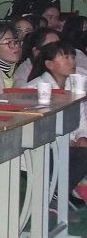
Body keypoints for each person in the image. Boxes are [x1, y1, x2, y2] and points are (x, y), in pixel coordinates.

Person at [26, 41, 87, 195]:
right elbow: (37, 129)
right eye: (66, 57)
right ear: (49, 64)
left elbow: (81, 119)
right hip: (43, 150)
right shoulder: (33, 89)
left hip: (69, 146)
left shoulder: (74, 87)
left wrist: (82, 136)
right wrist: (67, 142)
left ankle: (65, 192)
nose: (72, 62)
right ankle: (57, 193)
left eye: (73, 57)